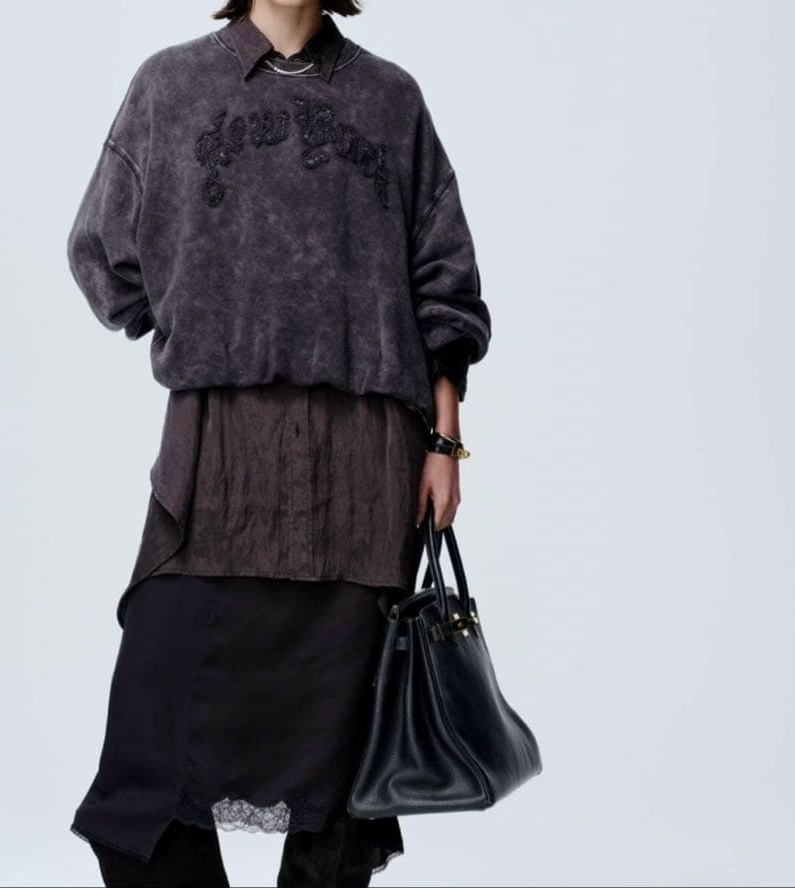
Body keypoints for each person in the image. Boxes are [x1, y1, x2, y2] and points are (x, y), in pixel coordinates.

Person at [65, 0, 491, 884]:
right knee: (142, 789)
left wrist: (444, 443)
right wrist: (210, 317)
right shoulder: (172, 85)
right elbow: (104, 255)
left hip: (365, 474)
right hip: (218, 464)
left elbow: (444, 282)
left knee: (339, 796)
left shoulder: (390, 98)